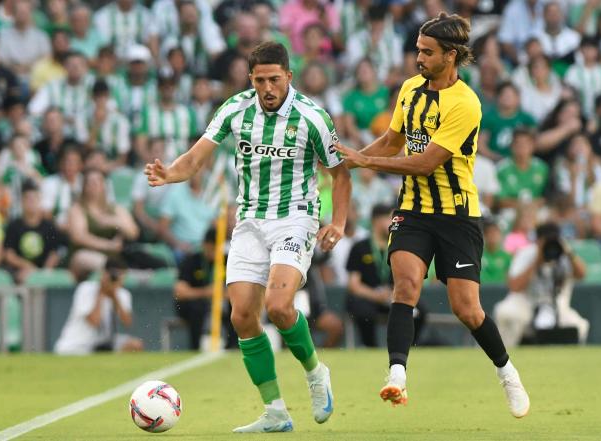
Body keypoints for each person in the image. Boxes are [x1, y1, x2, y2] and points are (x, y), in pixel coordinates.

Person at [145, 41, 351, 432]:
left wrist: (338, 222)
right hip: (250, 221)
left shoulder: (313, 117)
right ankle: (275, 411)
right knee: (241, 316)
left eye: (274, 79)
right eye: (260, 80)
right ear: (250, 79)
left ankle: (315, 373)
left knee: (278, 305)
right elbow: (195, 157)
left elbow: (340, 173)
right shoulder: (234, 109)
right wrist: (170, 172)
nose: (268, 88)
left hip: (295, 219)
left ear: (289, 76)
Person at [334, 13, 530, 417]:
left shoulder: (466, 103)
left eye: (427, 52)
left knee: (467, 310)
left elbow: (425, 163)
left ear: (451, 56)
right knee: (405, 286)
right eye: (418, 50)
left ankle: (507, 372)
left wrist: (364, 161)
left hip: (457, 215)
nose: (418, 58)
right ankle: (397, 376)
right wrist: (348, 162)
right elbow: (392, 141)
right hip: (413, 211)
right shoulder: (409, 89)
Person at [494, 222, 589, 347]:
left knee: (580, 325)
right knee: (505, 313)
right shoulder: (526, 253)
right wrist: (537, 260)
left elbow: (582, 275)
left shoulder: (564, 253)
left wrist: (568, 252)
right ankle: (505, 359)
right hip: (526, 301)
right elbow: (514, 287)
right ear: (537, 241)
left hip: (556, 304)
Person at [346, 204, 427, 347]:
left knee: (420, 311)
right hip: (368, 297)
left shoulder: (398, 246)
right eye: (391, 219)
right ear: (377, 221)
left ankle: (406, 348)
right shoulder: (360, 247)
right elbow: (354, 285)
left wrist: (394, 293)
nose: (395, 223)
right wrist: (375, 295)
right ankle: (371, 349)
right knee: (364, 312)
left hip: (393, 296)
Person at [54, 255, 144, 355]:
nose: (116, 279)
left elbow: (127, 323)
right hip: (78, 344)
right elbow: (94, 322)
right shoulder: (85, 288)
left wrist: (114, 296)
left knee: (135, 346)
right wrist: (101, 292)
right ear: (103, 273)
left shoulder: (123, 294)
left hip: (103, 342)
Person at [174, 228, 236, 350]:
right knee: (196, 306)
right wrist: (206, 292)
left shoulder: (228, 260)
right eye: (211, 248)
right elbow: (179, 292)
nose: (214, 252)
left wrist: (220, 293)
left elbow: (236, 290)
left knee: (235, 305)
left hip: (221, 301)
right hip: (196, 304)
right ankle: (195, 347)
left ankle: (232, 346)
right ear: (204, 245)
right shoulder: (192, 260)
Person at [3, 181, 61, 284]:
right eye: (27, 199)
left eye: (34, 199)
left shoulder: (49, 226)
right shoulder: (14, 225)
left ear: (39, 200)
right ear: (22, 201)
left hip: (44, 271)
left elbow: (55, 252)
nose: (31, 202)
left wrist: (44, 272)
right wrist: (27, 266)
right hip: (19, 272)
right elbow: (9, 255)